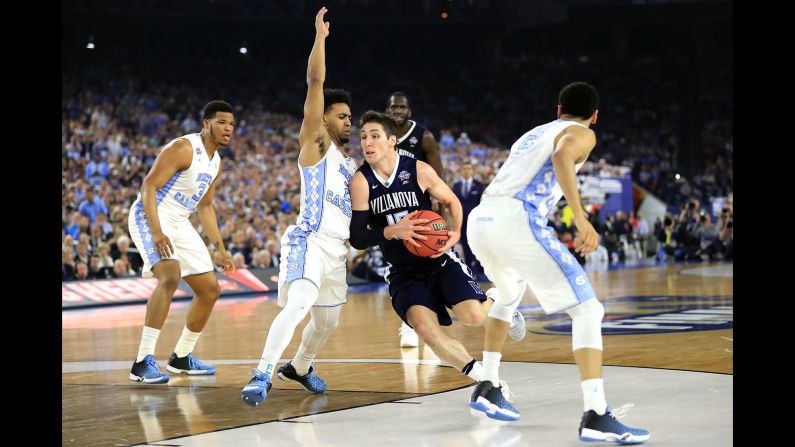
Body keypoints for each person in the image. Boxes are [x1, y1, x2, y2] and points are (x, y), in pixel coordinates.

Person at [465, 82, 650, 443]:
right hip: (517, 219)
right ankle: (596, 413)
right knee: (587, 311)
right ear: (595, 116)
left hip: (481, 219)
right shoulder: (581, 133)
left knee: (509, 292)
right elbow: (563, 156)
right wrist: (580, 219)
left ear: (557, 109)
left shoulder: (530, 135)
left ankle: (488, 383)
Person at [348, 111, 526, 390]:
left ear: (392, 141)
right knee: (423, 329)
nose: (367, 143)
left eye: (374, 136)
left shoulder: (418, 169)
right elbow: (357, 237)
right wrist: (396, 231)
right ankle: (486, 380)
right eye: (363, 137)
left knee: (474, 318)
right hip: (403, 272)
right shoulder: (361, 182)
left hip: (437, 261)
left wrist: (454, 234)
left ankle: (500, 302)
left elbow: (452, 201)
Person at [241, 7, 358, 407]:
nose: (348, 123)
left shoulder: (349, 165)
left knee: (327, 320)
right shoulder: (317, 142)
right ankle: (262, 373)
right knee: (300, 304)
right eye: (341, 116)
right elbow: (315, 80)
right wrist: (321, 38)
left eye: (350, 118)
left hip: (336, 251)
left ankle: (301, 367)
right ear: (323, 117)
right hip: (309, 240)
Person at [127, 100, 236, 384]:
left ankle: (181, 357)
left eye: (232, 124)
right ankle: (142, 362)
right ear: (206, 124)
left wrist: (220, 249)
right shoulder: (184, 148)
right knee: (170, 276)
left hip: (179, 221)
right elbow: (149, 186)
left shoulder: (216, 162)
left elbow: (207, 207)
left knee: (210, 290)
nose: (228, 128)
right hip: (150, 214)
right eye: (222, 122)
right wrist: (157, 231)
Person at [386, 91, 445, 348]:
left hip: (419, 209)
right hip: (389, 207)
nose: (397, 111)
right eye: (393, 107)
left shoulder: (424, 136)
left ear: (409, 111)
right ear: (388, 110)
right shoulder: (382, 136)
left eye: (402, 107)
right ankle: (411, 321)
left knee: (422, 265)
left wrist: (441, 218)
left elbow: (439, 180)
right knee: (400, 266)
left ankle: (417, 324)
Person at [452, 162, 485, 278]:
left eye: (469, 169)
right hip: (461, 221)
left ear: (473, 171)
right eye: (464, 169)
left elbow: (482, 203)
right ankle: (470, 270)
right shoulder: (456, 186)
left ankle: (479, 268)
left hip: (475, 222)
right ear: (461, 171)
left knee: (476, 244)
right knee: (465, 245)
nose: (467, 171)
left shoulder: (479, 185)